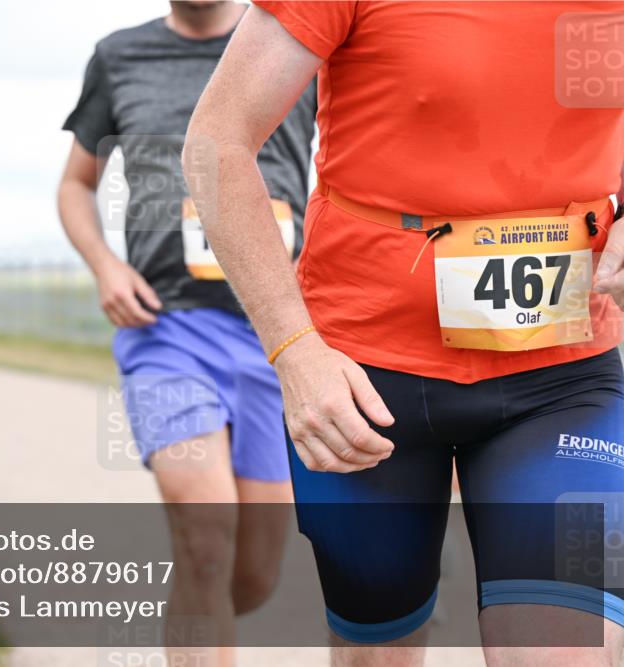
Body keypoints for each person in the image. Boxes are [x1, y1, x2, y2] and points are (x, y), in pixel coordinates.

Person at [183, 3, 624, 666]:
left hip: (563, 375)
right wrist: (294, 351)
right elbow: (217, 142)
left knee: (565, 649)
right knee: (376, 652)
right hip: (364, 381)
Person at [57, 1, 316, 662]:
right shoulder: (119, 57)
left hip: (275, 334)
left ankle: (191, 614)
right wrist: (105, 266)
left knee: (251, 575)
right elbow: (75, 185)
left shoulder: (298, 40)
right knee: (206, 536)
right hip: (165, 327)